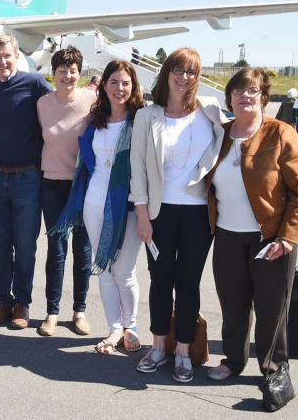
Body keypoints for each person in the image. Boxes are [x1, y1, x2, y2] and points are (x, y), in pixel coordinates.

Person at [204, 68, 298, 397]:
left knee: (271, 309)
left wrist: (288, 237)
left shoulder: (280, 133)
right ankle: (233, 360)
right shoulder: (220, 134)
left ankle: (273, 368)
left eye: (252, 91)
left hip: (271, 239)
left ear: (263, 97)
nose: (244, 96)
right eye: (238, 91)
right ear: (229, 98)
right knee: (233, 305)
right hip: (227, 236)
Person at [130, 47, 226, 383]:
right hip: (159, 213)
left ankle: (184, 351)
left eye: (192, 72)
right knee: (160, 279)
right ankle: (158, 347)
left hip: (199, 214)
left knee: (188, 282)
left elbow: (239, 133)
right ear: (167, 72)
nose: (184, 77)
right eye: (179, 70)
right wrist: (142, 214)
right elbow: (138, 169)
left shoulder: (209, 110)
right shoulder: (147, 116)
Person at [51, 60, 146, 353]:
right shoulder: (96, 120)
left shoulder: (141, 121)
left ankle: (130, 326)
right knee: (104, 268)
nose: (120, 88)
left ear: (134, 86)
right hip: (93, 201)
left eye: (126, 83)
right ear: (104, 85)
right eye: (114, 82)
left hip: (127, 206)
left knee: (124, 271)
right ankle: (114, 329)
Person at [0, 33, 52, 330]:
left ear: (16, 56)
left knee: (25, 245)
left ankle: (22, 302)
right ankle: (2, 300)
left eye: (7, 56)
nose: (2, 61)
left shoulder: (35, 83)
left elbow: (59, 106)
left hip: (28, 177)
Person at [35, 46, 95, 337]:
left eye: (73, 71)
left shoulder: (92, 100)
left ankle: (79, 311)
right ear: (53, 73)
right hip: (52, 184)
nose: (68, 76)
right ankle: (52, 313)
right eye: (62, 71)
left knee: (82, 250)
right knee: (56, 249)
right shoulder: (42, 104)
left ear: (79, 74)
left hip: (82, 185)